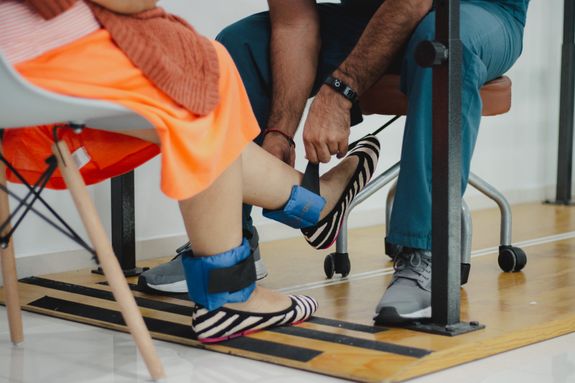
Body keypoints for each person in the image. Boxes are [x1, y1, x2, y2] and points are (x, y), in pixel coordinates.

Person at [0, 0, 380, 342]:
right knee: (207, 74)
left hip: (15, 70)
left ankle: (314, 206)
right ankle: (229, 299)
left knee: (187, 90)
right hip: (43, 60)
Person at [145, 0, 529, 324]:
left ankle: (425, 252)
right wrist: (279, 131)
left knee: (443, 41)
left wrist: (340, 90)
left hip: (472, 10)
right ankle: (228, 249)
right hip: (367, 18)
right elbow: (294, 21)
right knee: (239, 45)